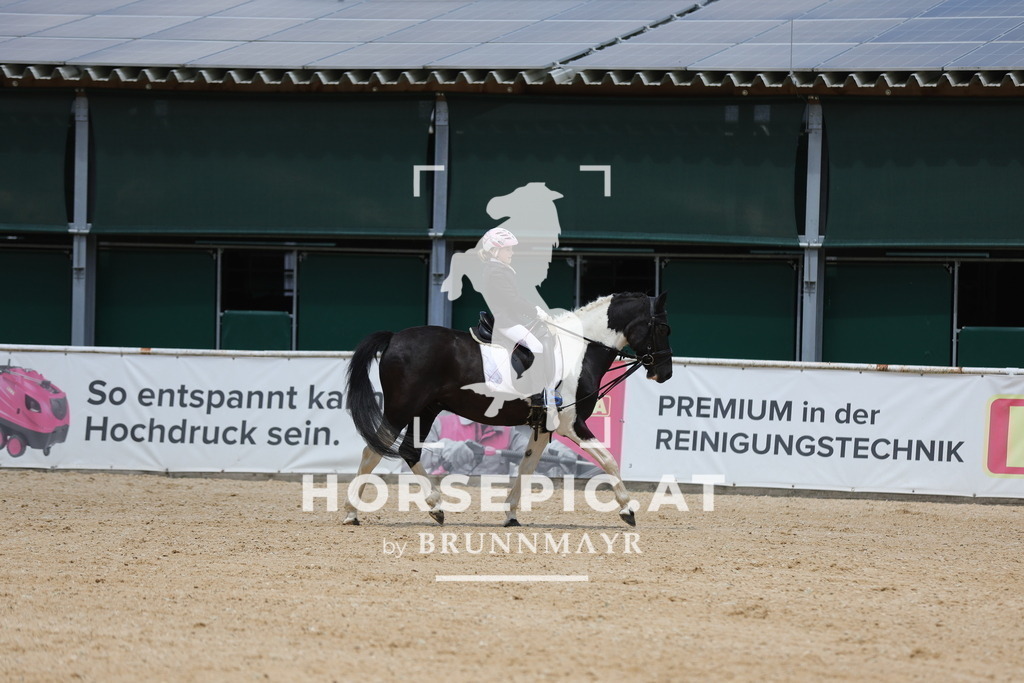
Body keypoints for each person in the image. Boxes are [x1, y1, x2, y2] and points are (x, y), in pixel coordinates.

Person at [421, 412, 583, 478]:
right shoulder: (440, 422)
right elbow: (415, 456)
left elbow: (530, 454)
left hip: (492, 504)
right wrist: (445, 448)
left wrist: (555, 452)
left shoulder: (507, 430)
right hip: (447, 498)